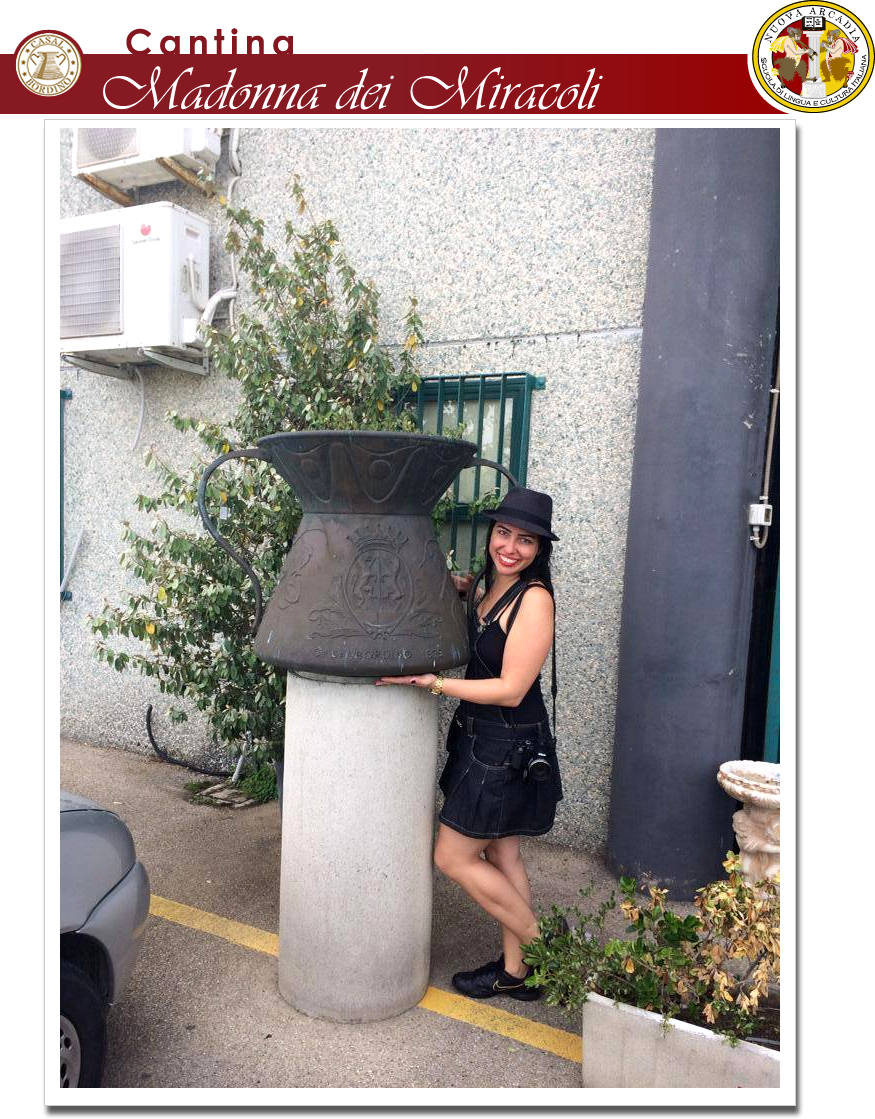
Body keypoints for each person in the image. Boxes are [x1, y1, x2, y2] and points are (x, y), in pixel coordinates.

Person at [377, 486, 561, 1001]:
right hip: (479, 737)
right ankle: (518, 973)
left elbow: (511, 689)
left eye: (525, 540)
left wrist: (433, 684)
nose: (510, 547)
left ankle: (548, 951)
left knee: (452, 857)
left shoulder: (534, 599)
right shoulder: (490, 586)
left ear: (539, 550)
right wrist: (457, 589)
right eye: (503, 533)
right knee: (504, 855)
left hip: (507, 746)